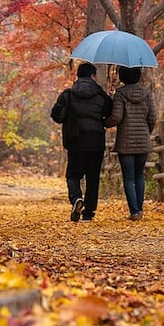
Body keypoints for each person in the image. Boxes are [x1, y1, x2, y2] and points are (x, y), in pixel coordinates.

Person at [50, 62, 113, 222]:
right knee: (93, 177)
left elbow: (57, 116)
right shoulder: (100, 95)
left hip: (75, 140)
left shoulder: (68, 95)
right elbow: (110, 112)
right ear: (93, 76)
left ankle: (76, 198)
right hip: (96, 141)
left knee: (73, 175)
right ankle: (89, 212)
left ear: (78, 76)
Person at [105, 65, 157, 221]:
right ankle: (140, 210)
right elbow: (152, 117)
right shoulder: (147, 93)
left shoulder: (120, 94)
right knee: (139, 175)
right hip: (143, 141)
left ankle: (134, 212)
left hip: (125, 143)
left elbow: (116, 118)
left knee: (128, 178)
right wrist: (146, 132)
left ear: (122, 76)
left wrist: (104, 122)